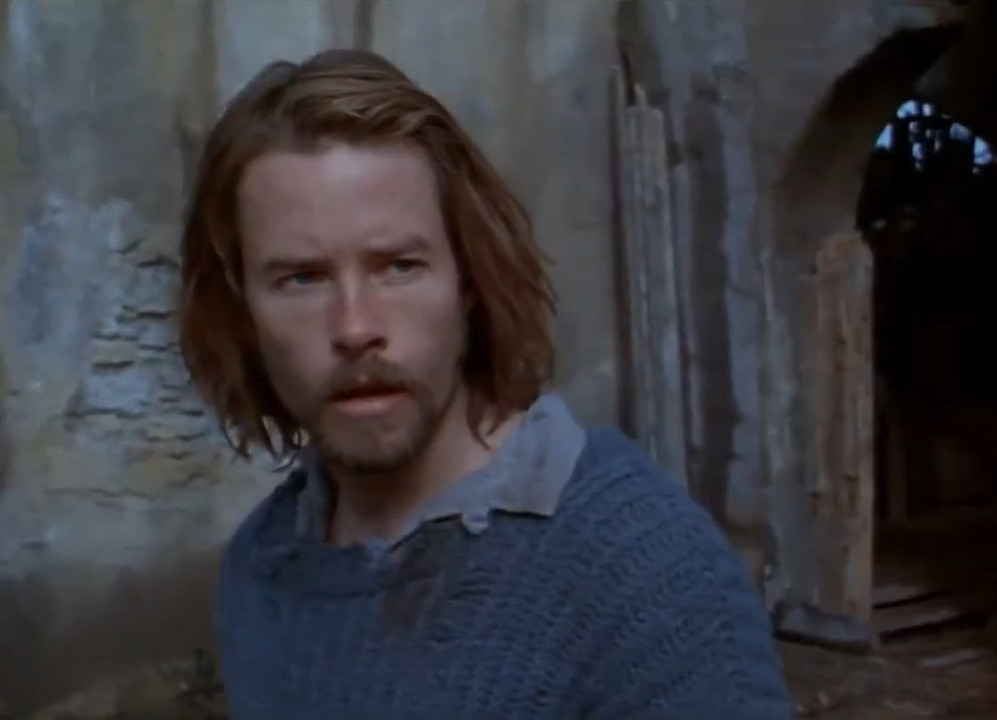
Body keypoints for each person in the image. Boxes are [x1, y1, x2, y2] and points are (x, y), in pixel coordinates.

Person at [177, 48, 793, 719]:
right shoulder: (262, 569)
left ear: (468, 280)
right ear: (241, 311)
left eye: (399, 266)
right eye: (302, 278)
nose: (356, 327)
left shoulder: (641, 570)